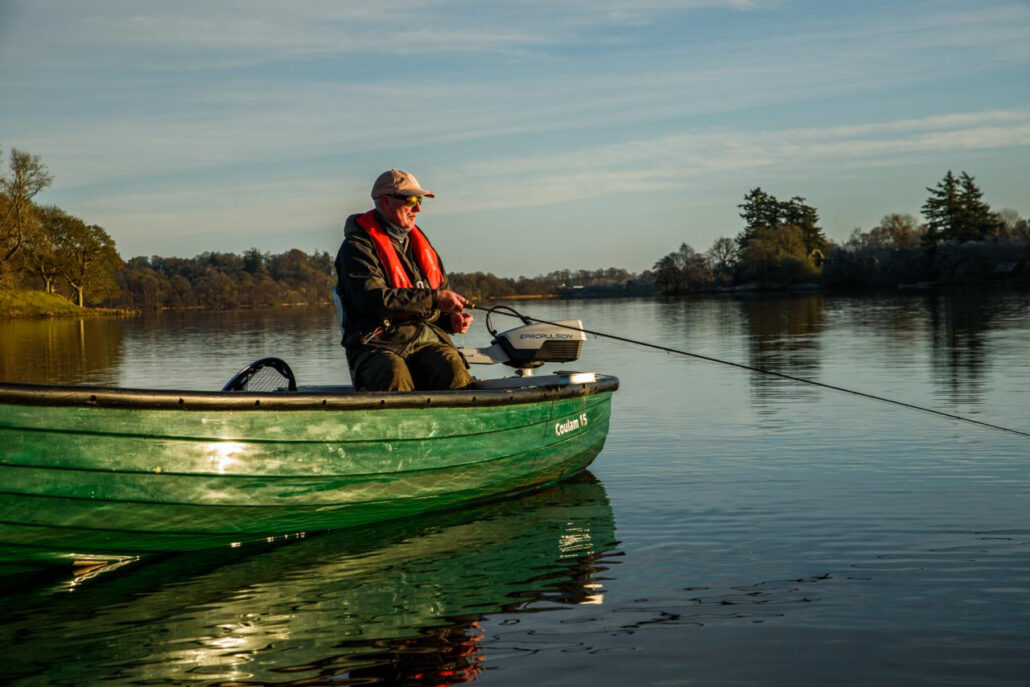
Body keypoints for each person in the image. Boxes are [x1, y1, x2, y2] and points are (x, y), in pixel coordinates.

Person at [334, 169, 474, 391]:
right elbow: (372, 300)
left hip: (423, 339)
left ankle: (464, 424)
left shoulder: (423, 248)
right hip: (376, 345)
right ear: (385, 202)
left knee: (451, 366)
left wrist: (451, 319)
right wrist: (435, 299)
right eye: (410, 200)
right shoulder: (356, 248)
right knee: (393, 372)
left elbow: (437, 301)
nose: (418, 208)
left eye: (419, 200)